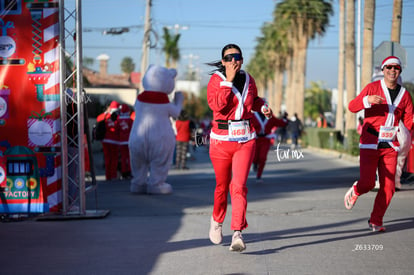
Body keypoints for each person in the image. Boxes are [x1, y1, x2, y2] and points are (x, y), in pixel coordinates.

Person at [206, 43, 272, 252]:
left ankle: (237, 232)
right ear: (223, 61)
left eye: (237, 56)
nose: (234, 60)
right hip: (220, 141)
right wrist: (229, 80)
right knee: (221, 187)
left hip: (246, 139)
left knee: (239, 186)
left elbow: (253, 100)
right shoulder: (216, 80)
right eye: (229, 57)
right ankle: (217, 220)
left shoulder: (249, 79)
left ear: (242, 59)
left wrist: (262, 106)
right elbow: (217, 105)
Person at [344, 56, 413, 232]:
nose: (392, 70)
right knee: (367, 183)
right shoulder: (372, 88)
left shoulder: (405, 95)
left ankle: (376, 220)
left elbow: (409, 121)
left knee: (389, 188)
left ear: (400, 71)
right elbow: (352, 107)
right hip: (370, 143)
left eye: (396, 68)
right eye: (388, 67)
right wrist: (367, 101)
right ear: (383, 70)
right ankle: (356, 190)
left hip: (390, 145)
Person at [251, 110, 287, 183]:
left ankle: (259, 175)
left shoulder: (270, 116)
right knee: (254, 157)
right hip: (255, 140)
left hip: (265, 140)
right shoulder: (252, 116)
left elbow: (280, 123)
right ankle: (255, 163)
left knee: (262, 158)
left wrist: (285, 118)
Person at [97, 100, 120, 181]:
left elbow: (98, 120)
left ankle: (108, 176)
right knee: (114, 159)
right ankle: (113, 175)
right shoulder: (118, 117)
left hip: (105, 140)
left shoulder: (104, 116)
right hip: (115, 141)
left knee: (107, 159)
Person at [118, 104, 133, 179]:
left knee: (123, 157)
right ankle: (129, 171)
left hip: (121, 141)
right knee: (129, 157)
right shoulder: (130, 120)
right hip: (129, 140)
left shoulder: (118, 120)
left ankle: (124, 172)